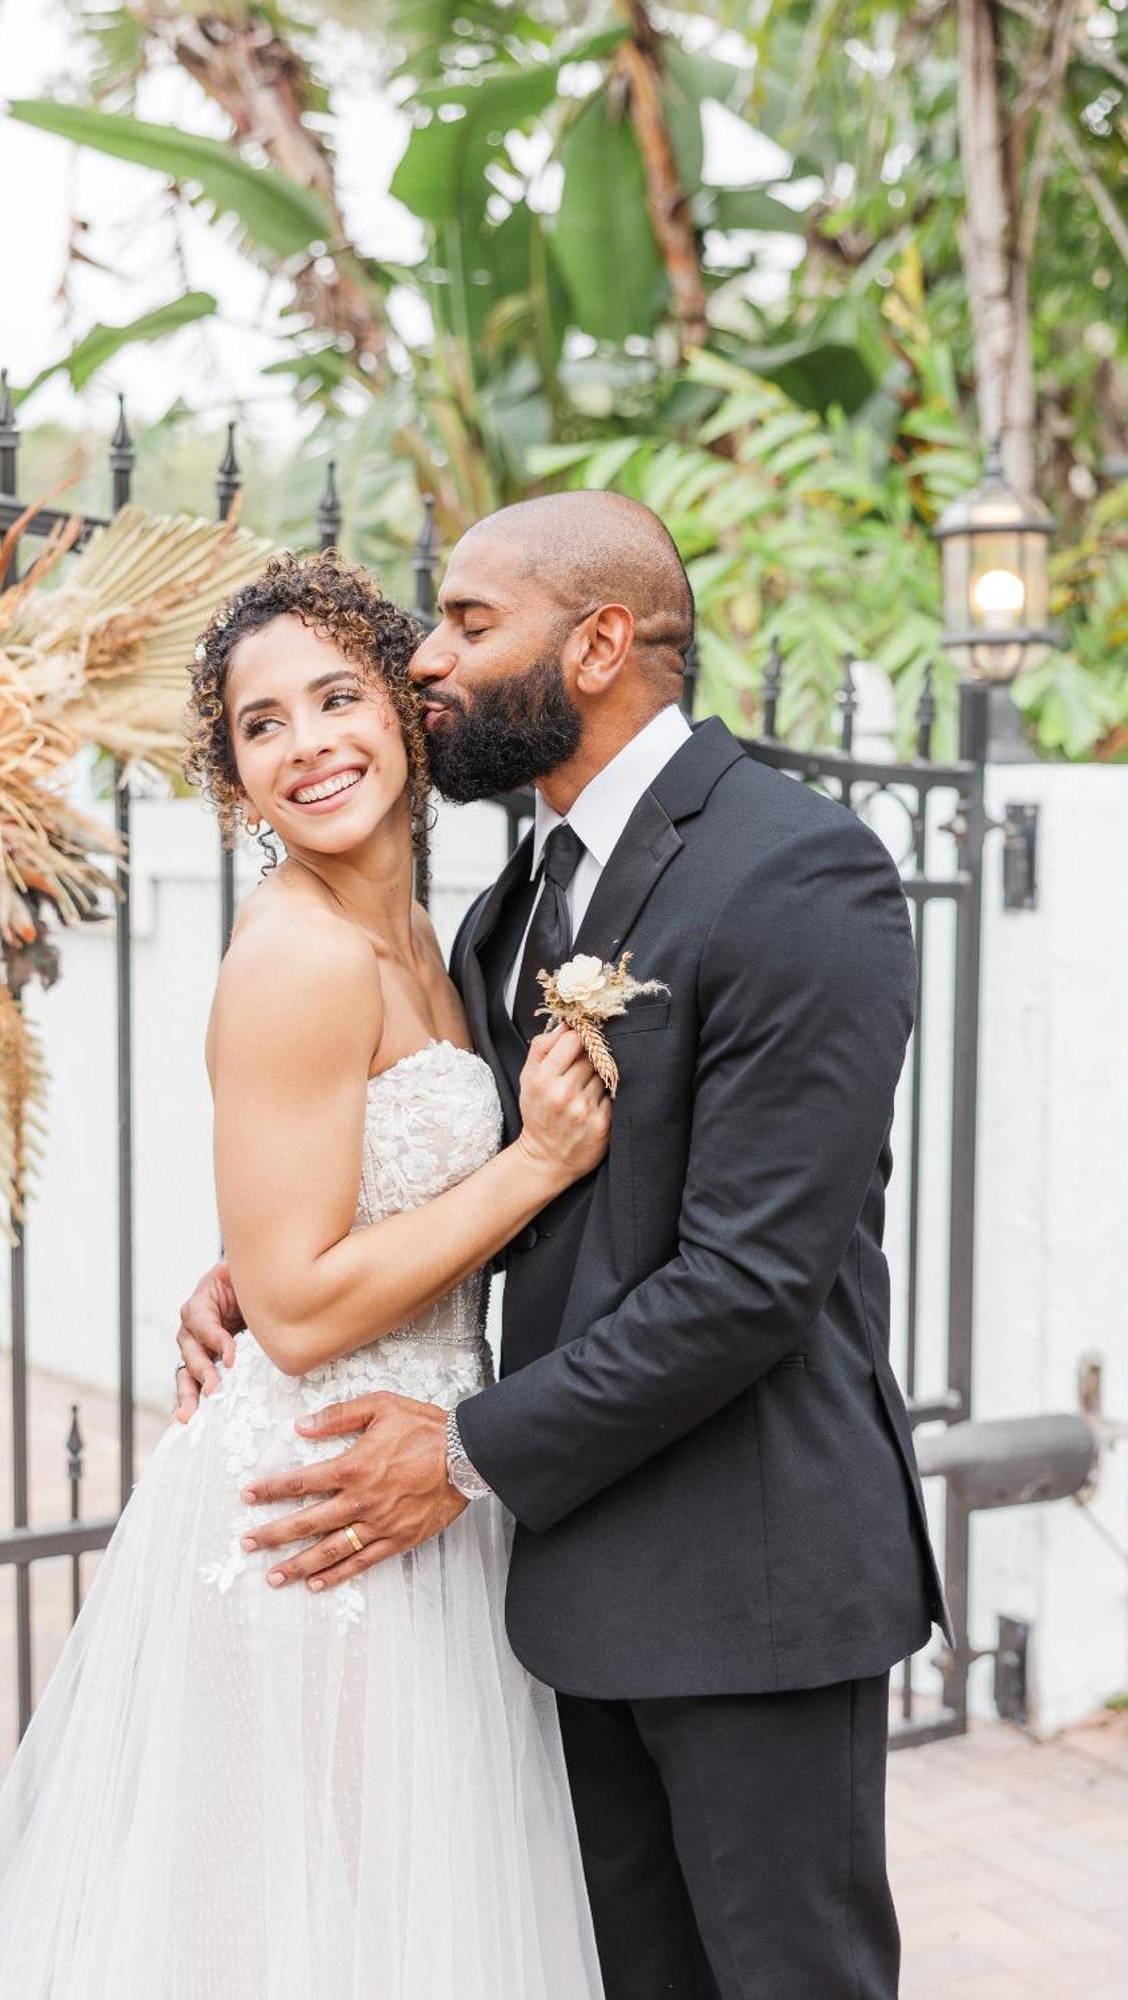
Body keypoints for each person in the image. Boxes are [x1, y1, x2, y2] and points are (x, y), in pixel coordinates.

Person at [179, 491, 950, 2000]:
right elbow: (485, 1183)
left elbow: (750, 1281)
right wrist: (262, 1267)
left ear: (597, 644)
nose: (429, 669)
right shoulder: (511, 903)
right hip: (557, 1585)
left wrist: (462, 1450)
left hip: (747, 1582)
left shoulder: (799, 871)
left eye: (467, 625)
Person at [0, 552, 607, 2000]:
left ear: (412, 718)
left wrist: (237, 1260)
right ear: (232, 781)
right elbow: (295, 1314)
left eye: (338, 698)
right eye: (261, 725)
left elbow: (310, 1217)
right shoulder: (297, 955)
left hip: (421, 1480)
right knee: (304, 1934)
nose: (308, 746)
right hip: (318, 1514)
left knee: (393, 1922)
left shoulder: (435, 936)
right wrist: (530, 1166)